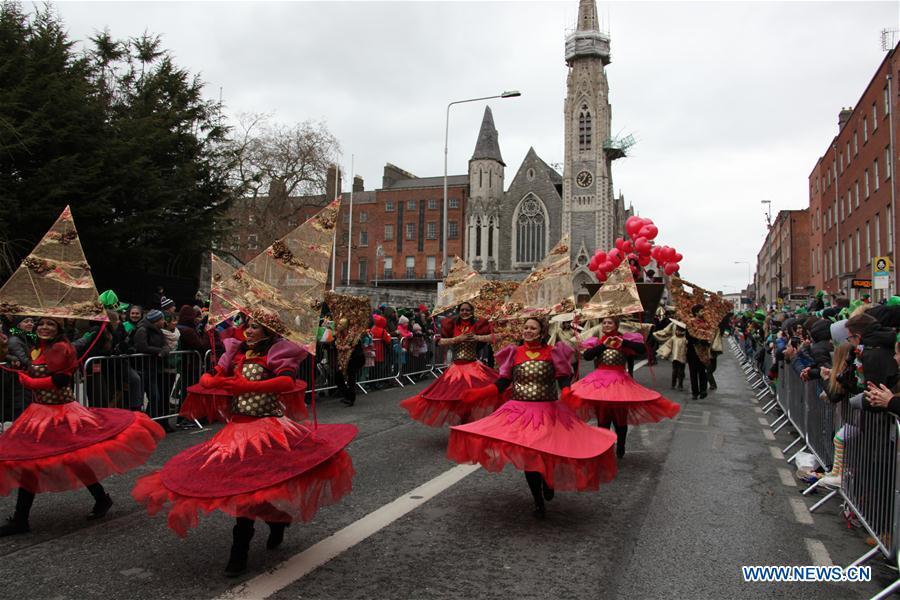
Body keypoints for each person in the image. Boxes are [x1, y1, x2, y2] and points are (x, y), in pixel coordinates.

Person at [132, 314, 357, 576]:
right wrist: (213, 380)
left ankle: (245, 548)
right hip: (237, 430)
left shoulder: (277, 352)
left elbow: (286, 382)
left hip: (267, 429)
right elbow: (214, 375)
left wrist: (249, 385)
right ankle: (268, 527)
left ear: (269, 333)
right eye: (247, 326)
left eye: (254, 327)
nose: (247, 331)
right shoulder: (237, 351)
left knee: (258, 484)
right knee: (242, 487)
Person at [0, 317, 164, 536]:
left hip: (61, 414)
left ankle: (97, 499)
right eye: (41, 324)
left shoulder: (60, 347)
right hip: (39, 412)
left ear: (58, 329)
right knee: (33, 461)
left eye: (51, 324)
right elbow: (20, 352)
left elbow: (61, 381)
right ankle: (23, 518)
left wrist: (28, 381)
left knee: (68, 459)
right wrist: (11, 358)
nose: (45, 328)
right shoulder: (38, 347)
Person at [447, 317, 618, 518]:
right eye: (526, 327)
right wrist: (480, 393)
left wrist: (566, 392)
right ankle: (538, 502)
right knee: (531, 457)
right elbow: (503, 382)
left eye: (532, 328)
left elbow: (563, 377)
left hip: (547, 411)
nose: (528, 331)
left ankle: (548, 480)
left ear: (541, 332)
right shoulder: (514, 353)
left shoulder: (554, 352)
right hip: (519, 411)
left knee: (546, 453)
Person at [565, 317, 680, 458]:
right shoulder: (598, 341)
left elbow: (643, 349)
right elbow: (587, 356)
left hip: (620, 384)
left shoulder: (624, 340)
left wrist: (624, 342)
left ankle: (621, 445)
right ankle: (604, 448)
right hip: (600, 385)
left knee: (620, 420)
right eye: (604, 323)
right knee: (603, 419)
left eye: (610, 322)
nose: (606, 325)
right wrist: (604, 345)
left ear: (617, 325)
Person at [399, 302, 502, 426]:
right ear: (459, 311)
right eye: (462, 310)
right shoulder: (451, 324)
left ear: (472, 311)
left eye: (468, 310)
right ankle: (461, 423)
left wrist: (476, 338)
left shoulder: (478, 324)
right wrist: (457, 339)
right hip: (456, 369)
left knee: (477, 394)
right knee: (453, 396)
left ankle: (471, 422)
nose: (465, 312)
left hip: (474, 367)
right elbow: (438, 341)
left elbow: (495, 337)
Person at [653, 319, 687, 390]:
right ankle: (674, 384)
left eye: (680, 330)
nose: (678, 331)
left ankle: (679, 385)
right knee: (676, 371)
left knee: (679, 371)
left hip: (681, 357)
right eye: (678, 329)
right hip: (676, 357)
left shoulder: (685, 339)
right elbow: (668, 346)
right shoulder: (674, 338)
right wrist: (665, 354)